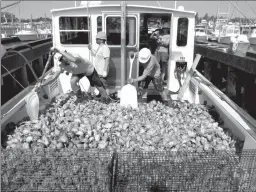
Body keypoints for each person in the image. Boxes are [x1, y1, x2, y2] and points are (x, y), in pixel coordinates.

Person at [35, 47, 109, 103]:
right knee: (72, 82)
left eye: (63, 57)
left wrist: (60, 51)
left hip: (88, 69)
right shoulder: (60, 65)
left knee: (98, 85)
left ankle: (105, 98)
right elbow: (53, 77)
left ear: (66, 54)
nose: (63, 60)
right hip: (77, 73)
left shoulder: (74, 56)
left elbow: (75, 60)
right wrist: (42, 84)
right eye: (61, 60)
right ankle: (79, 97)